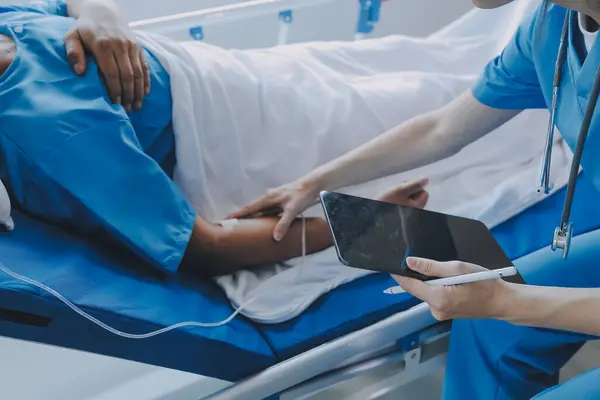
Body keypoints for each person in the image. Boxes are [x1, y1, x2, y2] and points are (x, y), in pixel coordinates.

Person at [233, 0, 600, 398]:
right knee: (486, 322)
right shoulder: (553, 26)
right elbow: (442, 129)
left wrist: (510, 300)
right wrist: (312, 183)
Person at [0, 0, 431, 277]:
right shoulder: (46, 136)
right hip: (256, 135)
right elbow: (204, 247)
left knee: (407, 61)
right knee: (426, 107)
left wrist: (98, 11)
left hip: (238, 72)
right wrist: (364, 225)